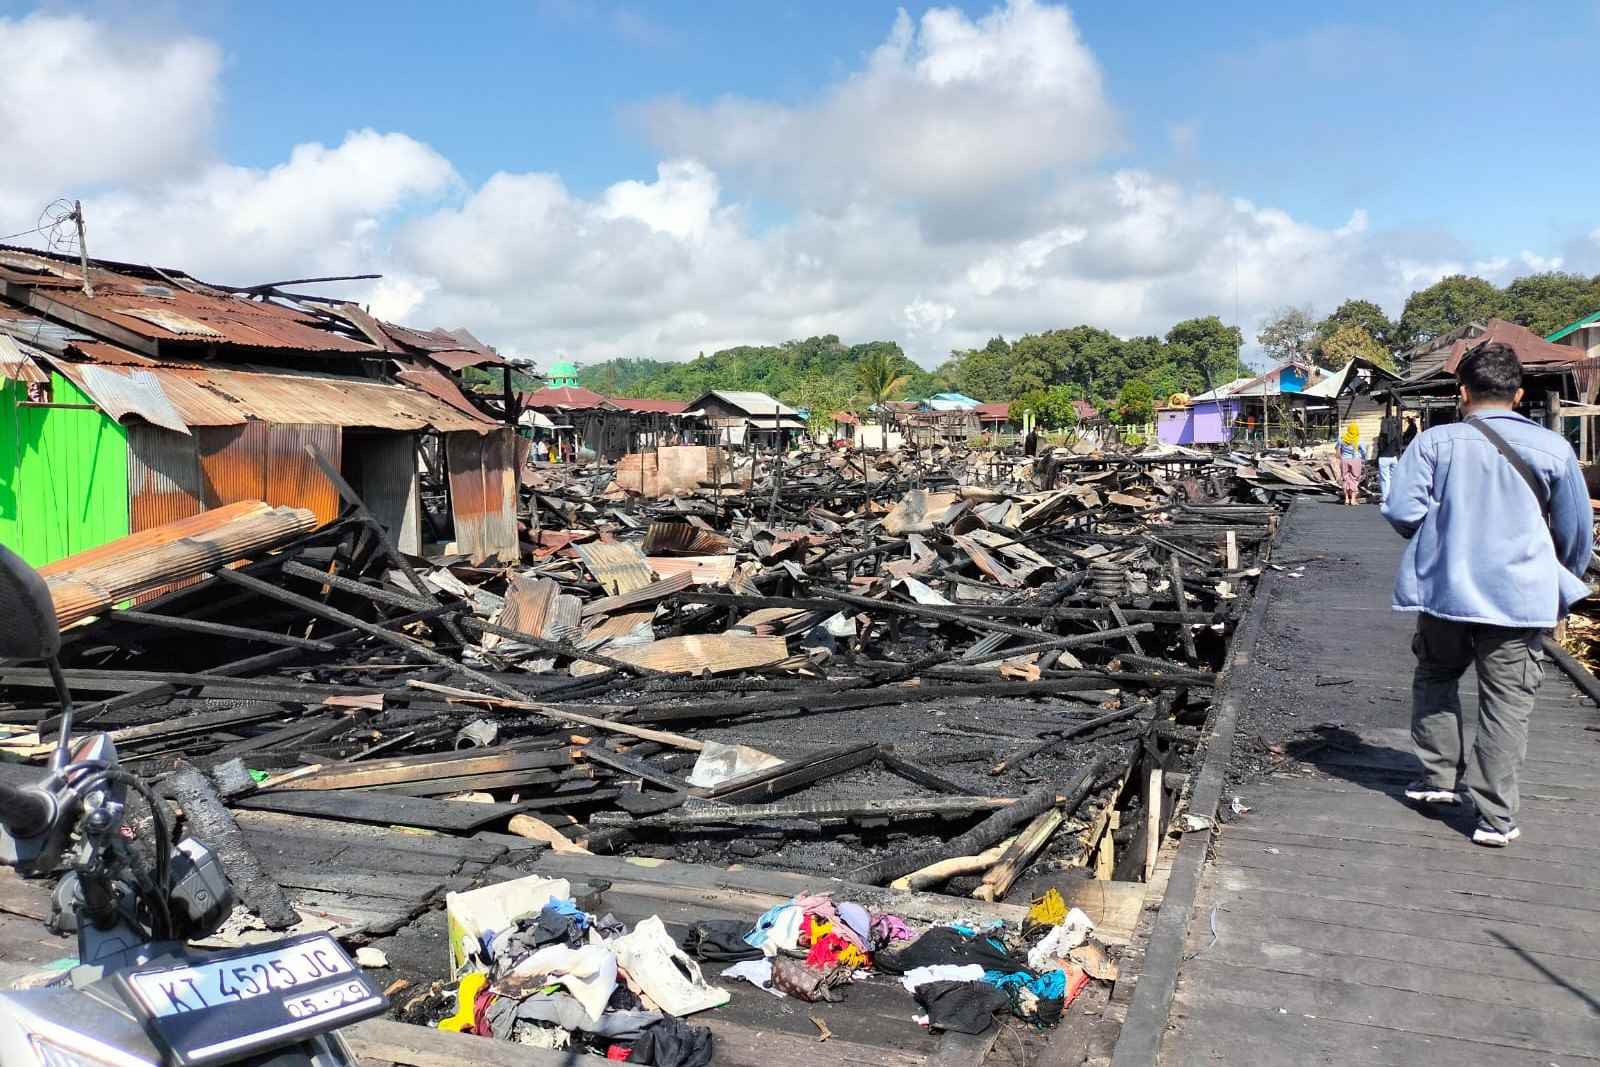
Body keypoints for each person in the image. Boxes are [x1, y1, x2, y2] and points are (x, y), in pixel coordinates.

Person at [1381, 342, 1594, 847]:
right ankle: (1494, 817)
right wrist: (1560, 575)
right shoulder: (1554, 449)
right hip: (1520, 598)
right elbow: (1576, 532)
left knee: (1436, 676)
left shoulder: (1435, 443)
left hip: (1446, 591)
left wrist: (1441, 532)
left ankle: (1437, 779)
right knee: (1506, 704)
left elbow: (1402, 512)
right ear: (1518, 394)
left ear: (1462, 393)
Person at [1375, 417, 1403, 503]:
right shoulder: (1396, 435)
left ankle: (1385, 498)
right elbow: (1399, 448)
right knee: (1394, 478)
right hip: (1394, 458)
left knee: (1385, 480)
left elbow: (1380, 448)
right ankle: (1394, 497)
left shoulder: (1382, 436)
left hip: (1383, 458)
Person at [1336, 423, 1364, 505]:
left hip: (1344, 460)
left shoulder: (1342, 439)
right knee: (1354, 479)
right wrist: (1362, 457)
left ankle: (1347, 499)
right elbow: (1364, 451)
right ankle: (1353, 499)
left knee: (1345, 479)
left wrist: (1341, 457)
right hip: (1355, 460)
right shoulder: (1359, 440)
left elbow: (1337, 450)